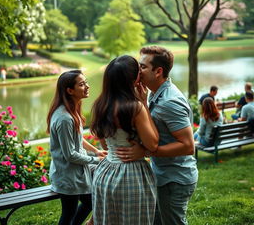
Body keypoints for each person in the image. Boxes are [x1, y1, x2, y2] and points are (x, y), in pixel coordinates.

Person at [116, 46, 198, 225]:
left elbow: (187, 146)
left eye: (143, 67)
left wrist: (146, 152)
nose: (138, 71)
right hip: (162, 175)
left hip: (174, 179)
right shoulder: (154, 93)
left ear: (158, 71)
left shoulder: (170, 102)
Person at [90, 55, 159, 225]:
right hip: (131, 174)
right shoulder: (135, 107)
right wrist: (144, 102)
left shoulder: (100, 105)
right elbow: (153, 143)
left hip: (105, 174)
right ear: (134, 79)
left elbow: (105, 143)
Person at [46, 70, 106, 225]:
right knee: (69, 213)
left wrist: (96, 150)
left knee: (90, 203)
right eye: (82, 84)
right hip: (67, 176)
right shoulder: (65, 118)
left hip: (73, 175)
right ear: (70, 90)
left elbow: (77, 140)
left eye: (86, 82)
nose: (87, 86)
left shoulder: (71, 111)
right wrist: (96, 160)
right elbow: (70, 154)